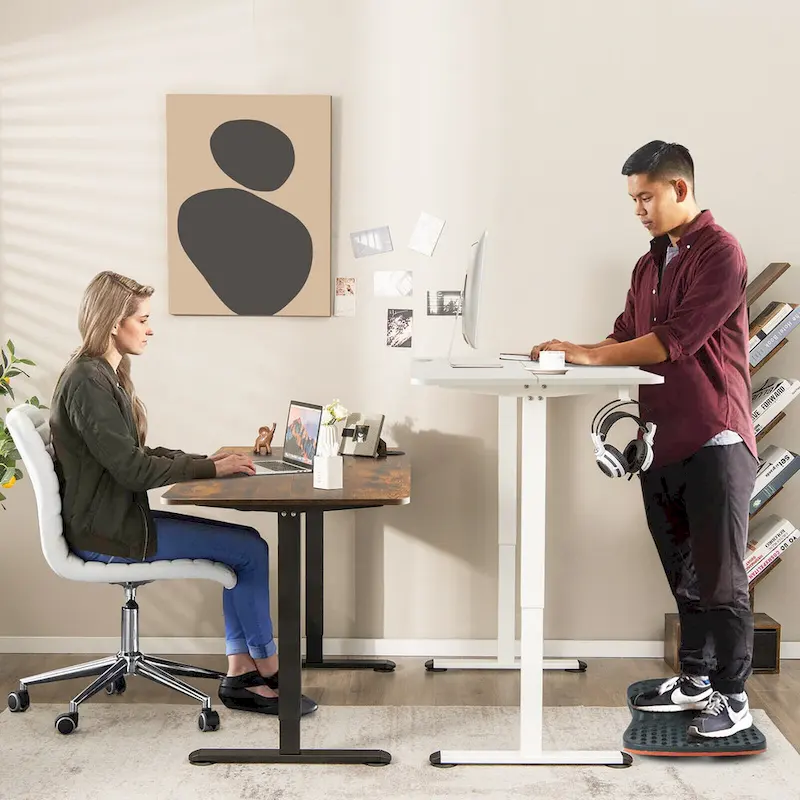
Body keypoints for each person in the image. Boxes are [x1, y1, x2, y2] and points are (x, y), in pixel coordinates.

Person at [530, 141, 758, 739]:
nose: (638, 210)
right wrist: (570, 355)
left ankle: (733, 697)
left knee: (722, 579)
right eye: (633, 200)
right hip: (663, 441)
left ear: (680, 189)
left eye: (646, 197)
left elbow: (671, 340)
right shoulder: (649, 262)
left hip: (716, 438)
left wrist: (588, 354)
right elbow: (626, 334)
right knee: (683, 572)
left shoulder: (720, 254)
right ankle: (697, 679)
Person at [50, 270, 317, 717]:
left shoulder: (99, 375)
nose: (151, 329)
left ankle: (243, 671)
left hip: (114, 523)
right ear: (114, 321)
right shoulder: (88, 382)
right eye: (143, 319)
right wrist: (209, 466)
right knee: (249, 549)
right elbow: (133, 469)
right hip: (108, 536)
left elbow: (132, 454)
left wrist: (205, 461)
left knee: (247, 546)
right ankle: (266, 668)